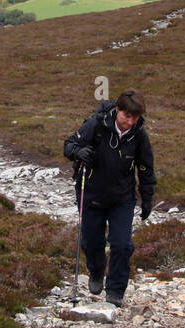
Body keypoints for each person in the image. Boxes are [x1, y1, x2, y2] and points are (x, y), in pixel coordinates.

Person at [63, 89, 155, 308]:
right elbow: (69, 145)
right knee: (92, 242)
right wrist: (79, 153)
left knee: (122, 244)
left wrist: (148, 198)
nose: (130, 122)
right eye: (127, 116)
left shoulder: (138, 135)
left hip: (122, 198)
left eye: (135, 118)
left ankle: (115, 290)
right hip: (91, 193)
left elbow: (145, 168)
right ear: (118, 110)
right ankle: (96, 271)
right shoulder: (95, 125)